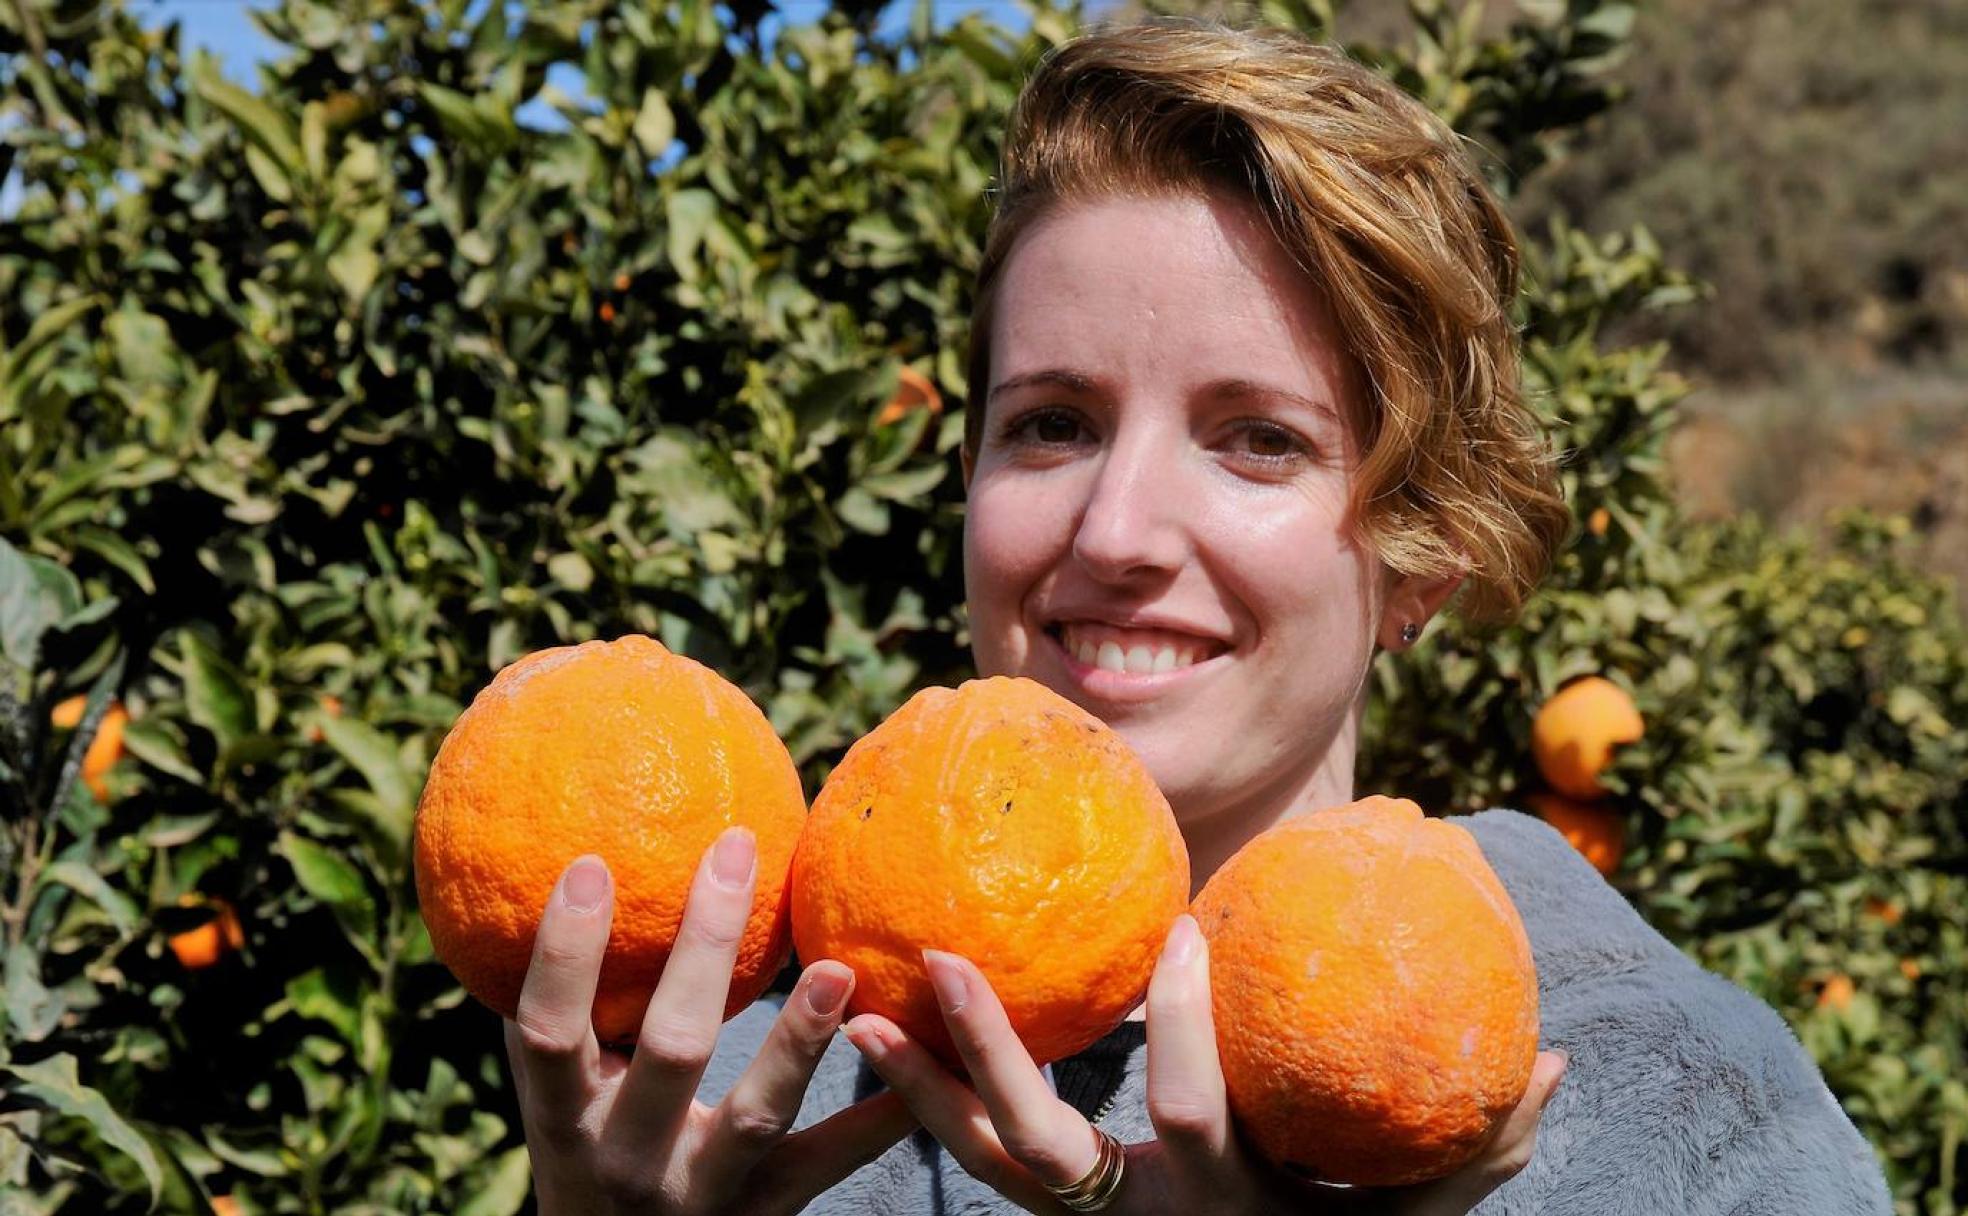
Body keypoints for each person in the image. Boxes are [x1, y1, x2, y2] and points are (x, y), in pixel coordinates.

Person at [497, 20, 1896, 1215]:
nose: (1113, 534)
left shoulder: (1686, 1107)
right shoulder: (752, 1112)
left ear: (1425, 554)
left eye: (1256, 440)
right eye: (1051, 423)